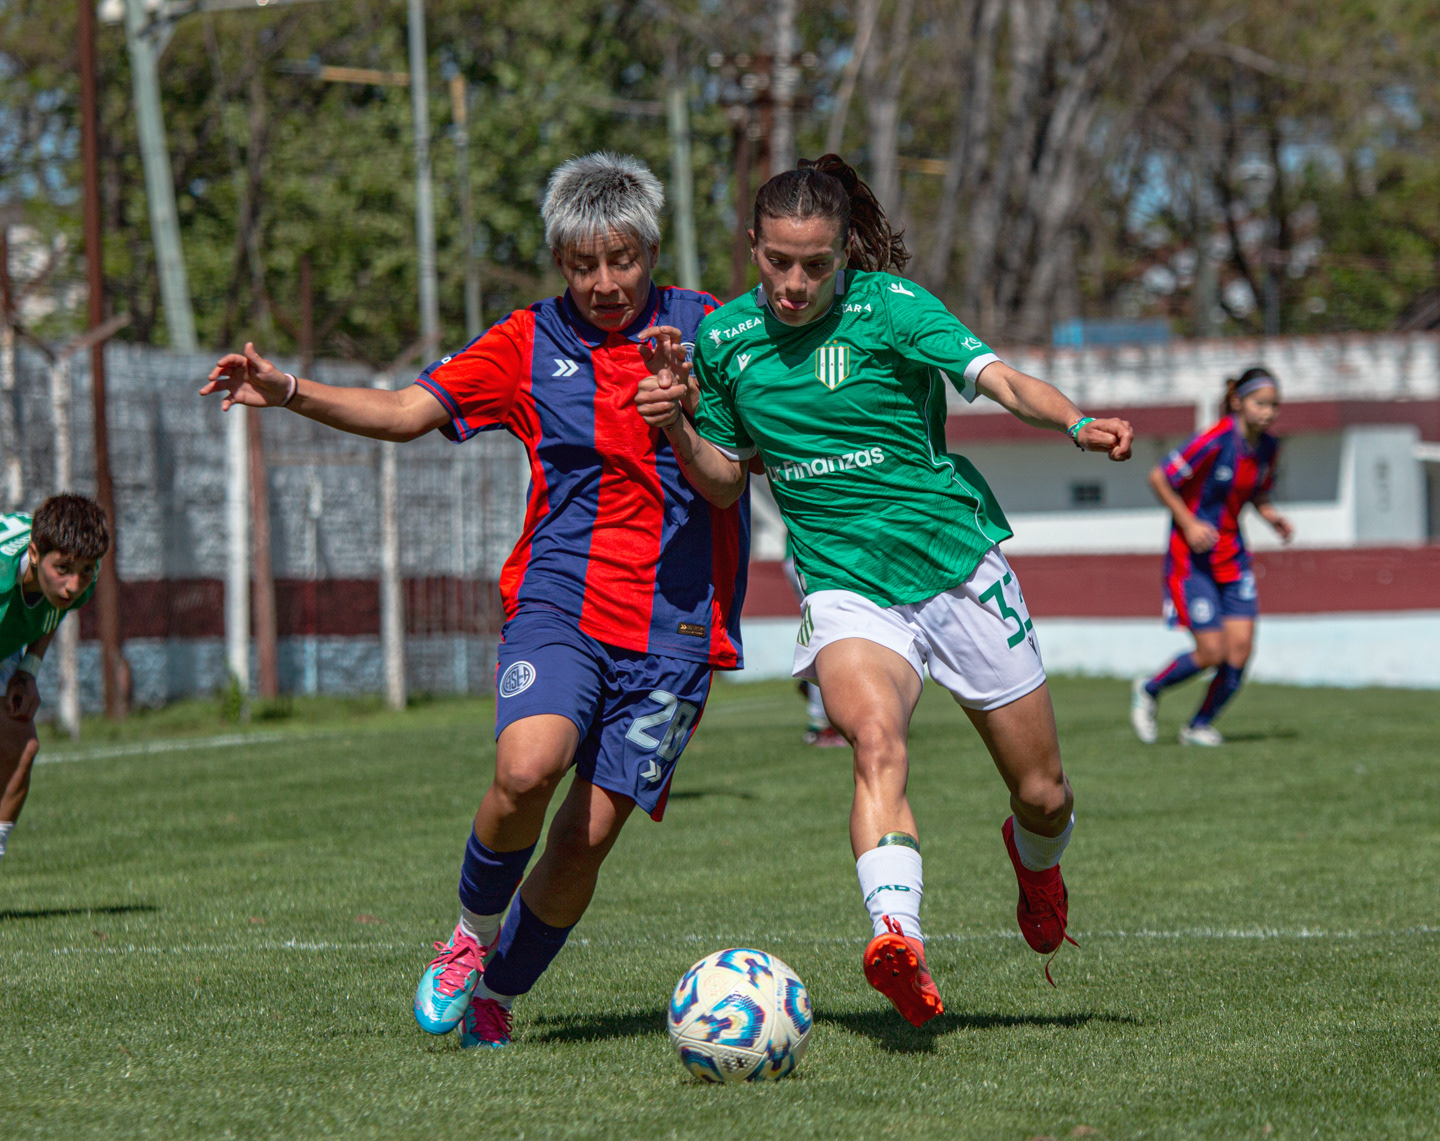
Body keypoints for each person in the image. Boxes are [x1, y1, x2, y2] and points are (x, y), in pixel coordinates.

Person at [201, 152, 748, 1048]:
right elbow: (404, 411)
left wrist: (680, 417)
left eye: (621, 260)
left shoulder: (712, 332)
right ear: (559, 261)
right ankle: (468, 935)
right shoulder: (527, 341)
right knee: (528, 767)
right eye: (582, 265)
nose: (605, 283)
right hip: (563, 602)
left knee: (585, 839)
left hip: (677, 627)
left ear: (652, 251)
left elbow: (729, 486)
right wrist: (287, 390)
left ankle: (498, 991)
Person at [636, 155, 1133, 1024]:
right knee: (873, 739)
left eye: (815, 264)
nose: (795, 284)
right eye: (778, 262)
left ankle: (1037, 863)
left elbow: (1001, 379)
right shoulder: (724, 342)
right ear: (752, 246)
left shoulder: (891, 308)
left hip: (955, 566)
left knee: (1043, 791)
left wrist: (1076, 422)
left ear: (843, 254)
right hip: (845, 586)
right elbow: (723, 481)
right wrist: (677, 422)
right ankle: (897, 935)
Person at [1130, 367, 1291, 747]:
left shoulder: (1269, 447)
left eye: (1274, 405)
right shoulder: (1214, 439)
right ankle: (1149, 689)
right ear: (1238, 402)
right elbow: (1159, 477)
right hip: (1192, 562)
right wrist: (1188, 523)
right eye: (1260, 403)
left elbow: (1257, 492)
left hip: (1233, 558)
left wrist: (1272, 517)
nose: (1268, 412)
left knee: (1240, 651)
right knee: (1211, 651)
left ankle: (1198, 726)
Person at [0, 495, 110, 867]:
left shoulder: (80, 577)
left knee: (22, 747)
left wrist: (28, 669)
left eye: (86, 570)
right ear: (34, 554)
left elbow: (54, 610)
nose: (73, 585)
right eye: (63, 568)